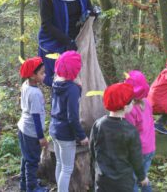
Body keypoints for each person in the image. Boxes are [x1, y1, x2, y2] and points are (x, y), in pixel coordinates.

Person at [38, 0, 93, 86]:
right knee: (61, 84)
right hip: (56, 43)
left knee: (80, 82)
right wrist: (67, 41)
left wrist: (92, 14)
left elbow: (88, 7)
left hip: (79, 41)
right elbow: (47, 25)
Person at [90, 83, 149, 192]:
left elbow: (93, 152)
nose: (133, 103)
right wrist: (142, 177)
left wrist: (93, 175)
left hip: (102, 180)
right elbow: (136, 158)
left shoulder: (98, 124)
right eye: (132, 101)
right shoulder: (131, 130)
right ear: (125, 107)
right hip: (123, 183)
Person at [49, 51, 89, 192]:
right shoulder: (72, 89)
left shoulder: (56, 82)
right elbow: (72, 117)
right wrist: (82, 136)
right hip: (65, 133)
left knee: (60, 163)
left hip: (54, 128)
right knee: (67, 169)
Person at [17, 57, 49, 192]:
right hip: (31, 132)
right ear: (32, 75)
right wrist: (41, 137)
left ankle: (24, 183)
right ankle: (32, 187)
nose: (45, 75)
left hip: (23, 127)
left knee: (26, 158)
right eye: (42, 73)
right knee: (32, 160)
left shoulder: (26, 84)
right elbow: (36, 117)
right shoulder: (35, 93)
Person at [124, 70, 155, 192]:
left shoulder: (130, 111)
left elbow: (129, 134)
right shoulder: (147, 103)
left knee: (133, 182)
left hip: (138, 151)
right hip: (150, 148)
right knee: (143, 178)